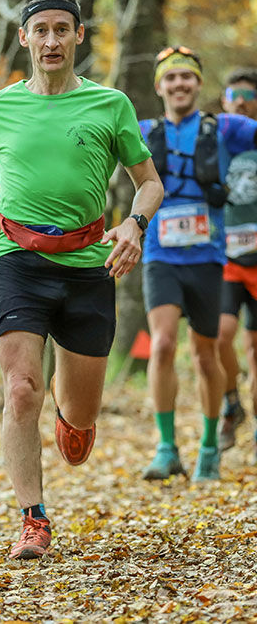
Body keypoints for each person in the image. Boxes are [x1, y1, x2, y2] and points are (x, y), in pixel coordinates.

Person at [0, 0, 163, 560]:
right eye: (41, 30)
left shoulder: (110, 105)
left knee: (78, 424)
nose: (51, 40)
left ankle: (71, 414)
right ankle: (32, 516)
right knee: (19, 387)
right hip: (17, 262)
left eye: (63, 30)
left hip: (88, 265)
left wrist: (134, 224)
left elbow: (149, 182)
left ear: (79, 36)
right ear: (25, 37)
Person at [140, 48, 257, 482]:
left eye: (187, 78)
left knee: (206, 354)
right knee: (163, 344)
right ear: (159, 87)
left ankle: (209, 447)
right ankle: (166, 447)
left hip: (209, 257)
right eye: (171, 79)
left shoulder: (226, 127)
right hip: (160, 255)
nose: (179, 85)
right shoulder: (141, 131)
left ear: (198, 85)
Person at [216, 68, 257, 454]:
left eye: (249, 94)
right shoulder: (216, 142)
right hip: (227, 257)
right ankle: (232, 401)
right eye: (235, 94)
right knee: (219, 336)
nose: (242, 100)